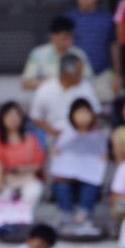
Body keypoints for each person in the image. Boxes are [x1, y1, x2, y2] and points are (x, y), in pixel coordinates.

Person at [50, 98, 108, 229]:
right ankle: (66, 214)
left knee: (92, 184)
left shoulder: (99, 136)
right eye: (79, 113)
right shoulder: (65, 134)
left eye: (86, 112)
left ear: (92, 115)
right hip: (66, 176)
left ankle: (84, 214)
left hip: (88, 176)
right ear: (72, 115)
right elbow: (56, 155)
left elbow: (103, 157)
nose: (82, 116)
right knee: (62, 185)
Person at [63, 0, 118, 100]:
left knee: (105, 109)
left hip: (102, 74)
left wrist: (117, 74)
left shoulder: (107, 18)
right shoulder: (67, 18)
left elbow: (113, 46)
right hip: (76, 76)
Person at [0, 101, 45, 212]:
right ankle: (7, 224)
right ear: (2, 118)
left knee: (33, 190)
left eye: (16, 115)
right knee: (1, 194)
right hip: (5, 179)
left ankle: (22, 220)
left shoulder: (30, 138)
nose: (13, 118)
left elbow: (38, 164)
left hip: (25, 179)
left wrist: (21, 169)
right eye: (9, 114)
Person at [29, 54, 100, 136]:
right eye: (79, 73)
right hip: (55, 136)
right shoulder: (45, 90)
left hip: (82, 134)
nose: (82, 77)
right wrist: (52, 131)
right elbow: (35, 116)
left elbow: (96, 111)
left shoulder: (86, 86)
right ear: (67, 74)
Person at [21, 15, 93, 92]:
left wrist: (76, 76)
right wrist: (50, 83)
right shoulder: (38, 54)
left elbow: (89, 81)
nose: (69, 41)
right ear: (52, 36)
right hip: (47, 98)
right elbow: (25, 84)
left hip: (73, 98)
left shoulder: (79, 54)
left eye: (71, 37)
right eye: (64, 38)